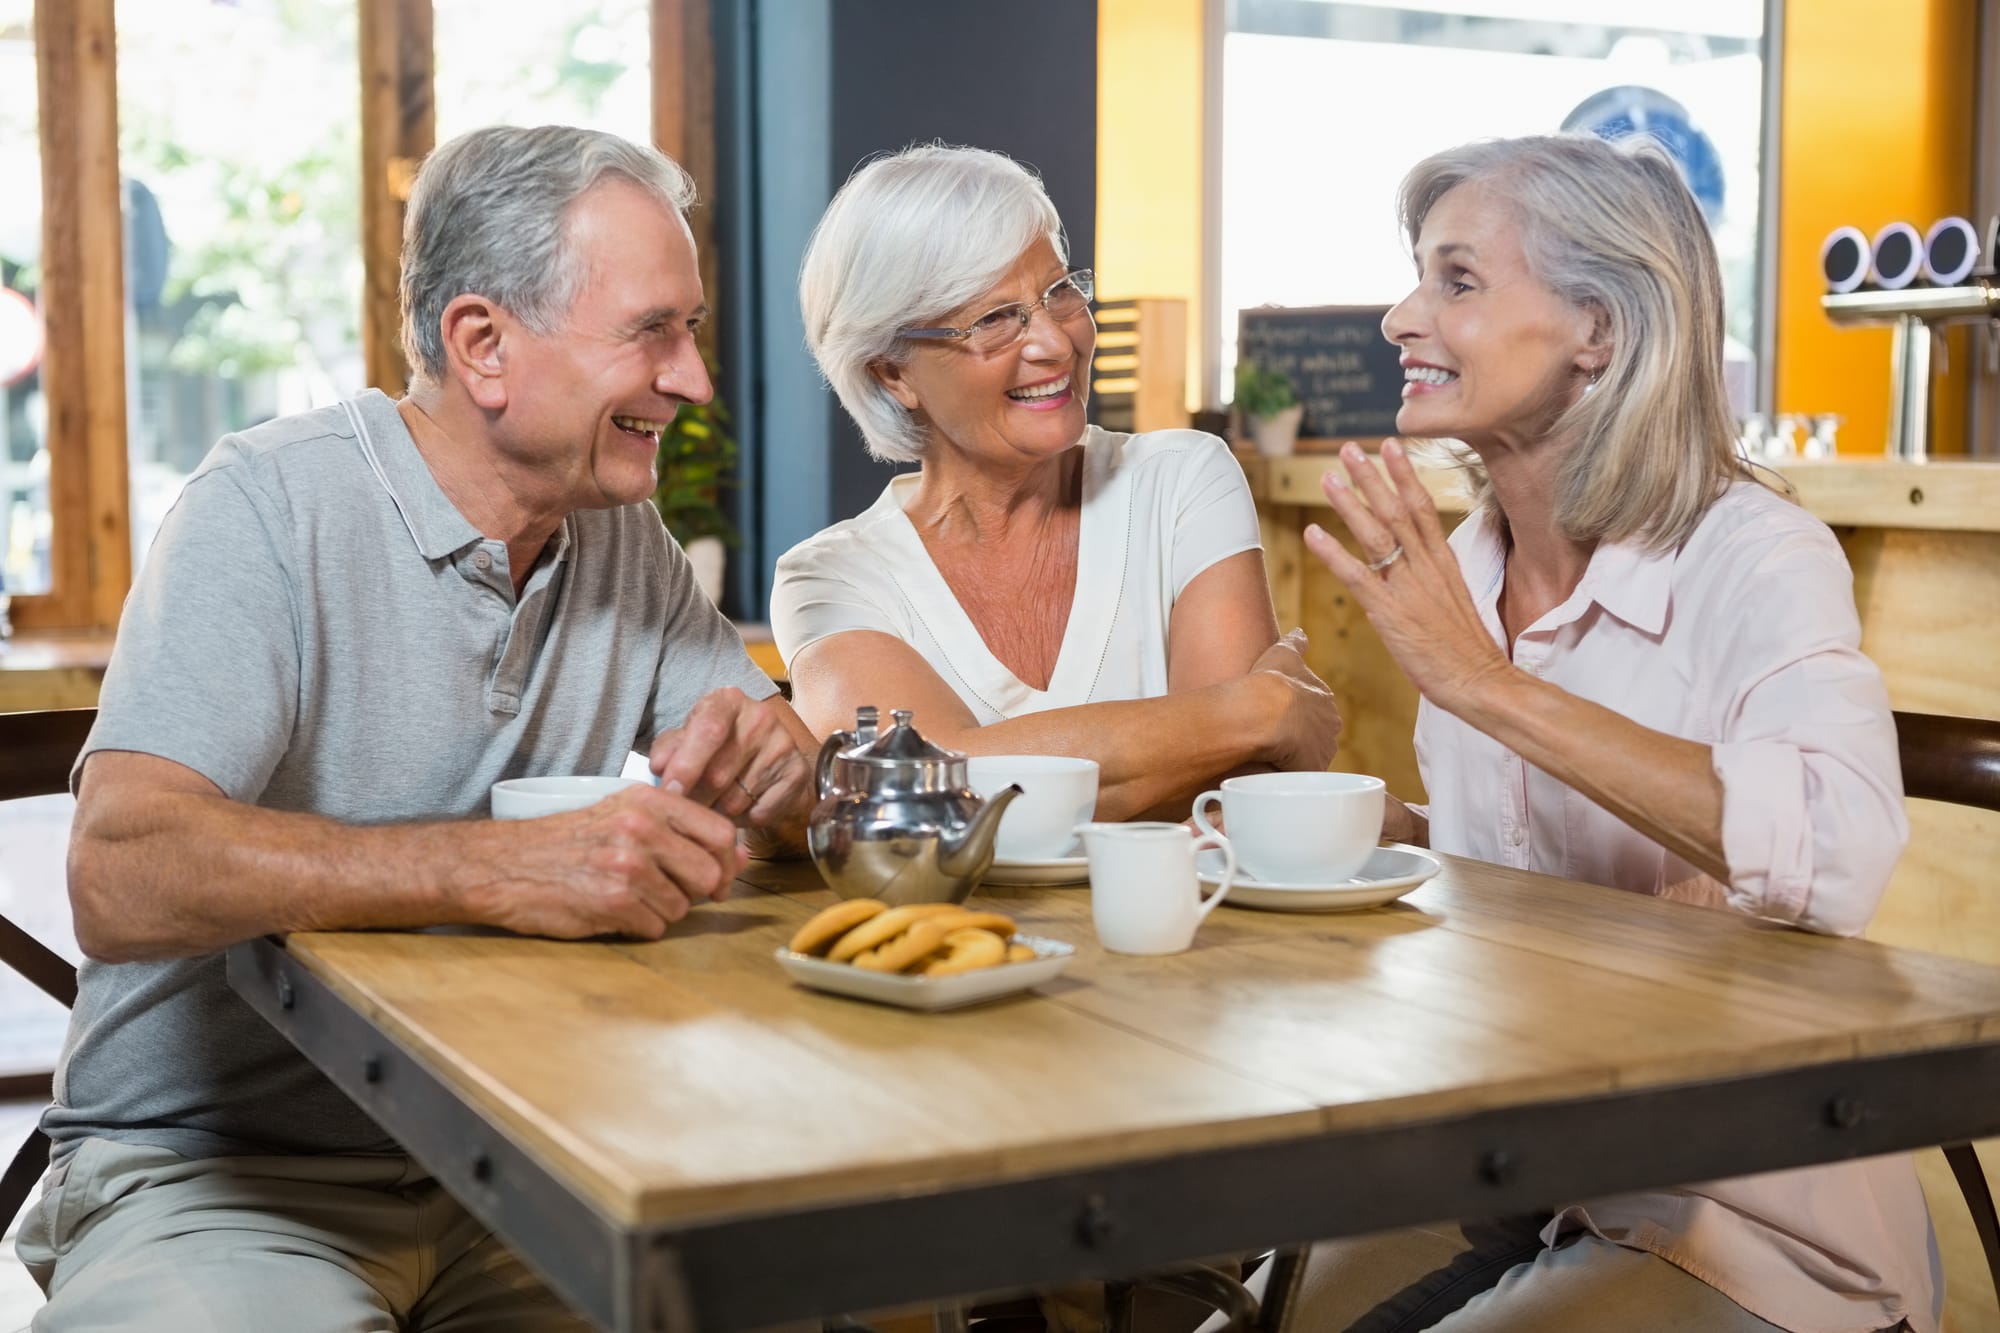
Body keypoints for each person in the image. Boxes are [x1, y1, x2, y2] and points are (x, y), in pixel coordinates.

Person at [16, 125, 818, 1332]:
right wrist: (489, 866)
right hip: (216, 1170)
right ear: (482, 344)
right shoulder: (265, 507)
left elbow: (777, 782)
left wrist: (790, 769)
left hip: (538, 1165)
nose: (692, 378)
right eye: (652, 331)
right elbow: (120, 872)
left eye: (690, 331)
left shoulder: (623, 539)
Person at [1294, 134, 1934, 1331]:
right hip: (1521, 1175)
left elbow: (1837, 850)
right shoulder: (1470, 565)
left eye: (1456, 281)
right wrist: (1393, 835)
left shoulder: (1754, 552)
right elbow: (1551, 867)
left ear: (1597, 329)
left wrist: (1485, 686)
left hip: (1745, 1219)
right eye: (1413, 276)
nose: (1397, 316)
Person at [774, 144, 1340, 819]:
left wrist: (992, 768)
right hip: (968, 930)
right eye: (992, 318)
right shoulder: (831, 579)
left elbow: (1232, 793)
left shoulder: (1181, 479)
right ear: (891, 374)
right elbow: (925, 802)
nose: (1054, 341)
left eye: (1059, 291)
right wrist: (1259, 707)